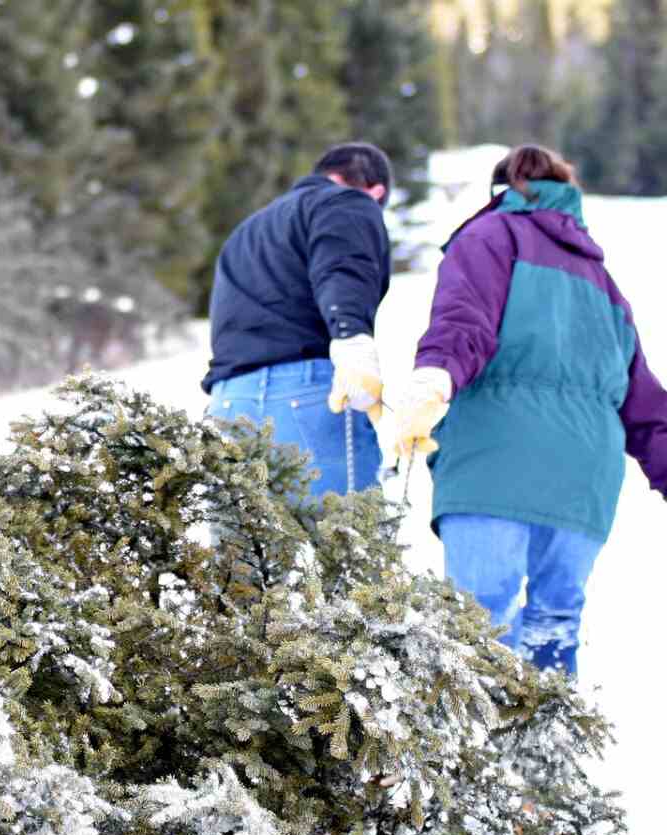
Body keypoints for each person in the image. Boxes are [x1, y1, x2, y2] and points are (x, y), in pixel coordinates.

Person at [392, 144, 667, 679]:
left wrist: (433, 379)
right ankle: (544, 753)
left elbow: (463, 322)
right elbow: (645, 402)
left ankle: (477, 755)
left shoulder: (488, 236)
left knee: (476, 626)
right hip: (584, 478)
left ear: (501, 191)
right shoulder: (602, 283)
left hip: (495, 460)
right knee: (554, 623)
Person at [202, 142, 393, 496]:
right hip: (308, 394)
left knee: (246, 550)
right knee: (349, 544)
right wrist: (353, 338)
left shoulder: (246, 231)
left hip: (230, 402)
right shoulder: (347, 202)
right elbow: (343, 268)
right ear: (375, 193)